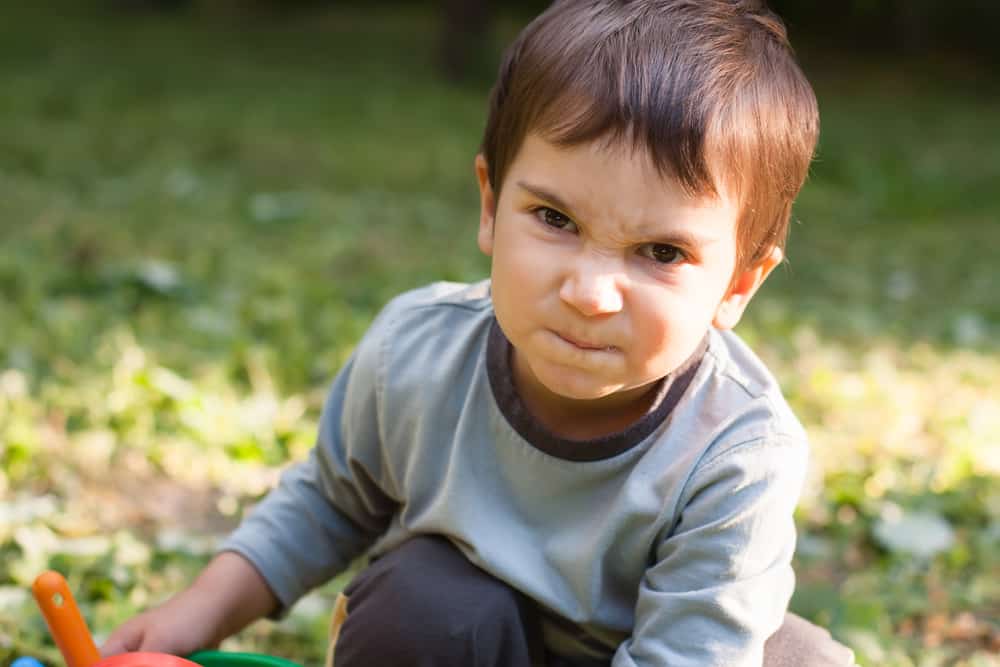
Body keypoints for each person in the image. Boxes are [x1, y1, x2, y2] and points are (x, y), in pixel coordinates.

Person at [102, 1, 855, 665]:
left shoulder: (737, 451)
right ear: (491, 205)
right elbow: (328, 502)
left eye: (661, 252)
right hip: (470, 640)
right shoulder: (419, 351)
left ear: (738, 284)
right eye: (555, 219)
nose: (590, 294)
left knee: (800, 658)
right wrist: (193, 611)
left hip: (673, 650)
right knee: (424, 602)